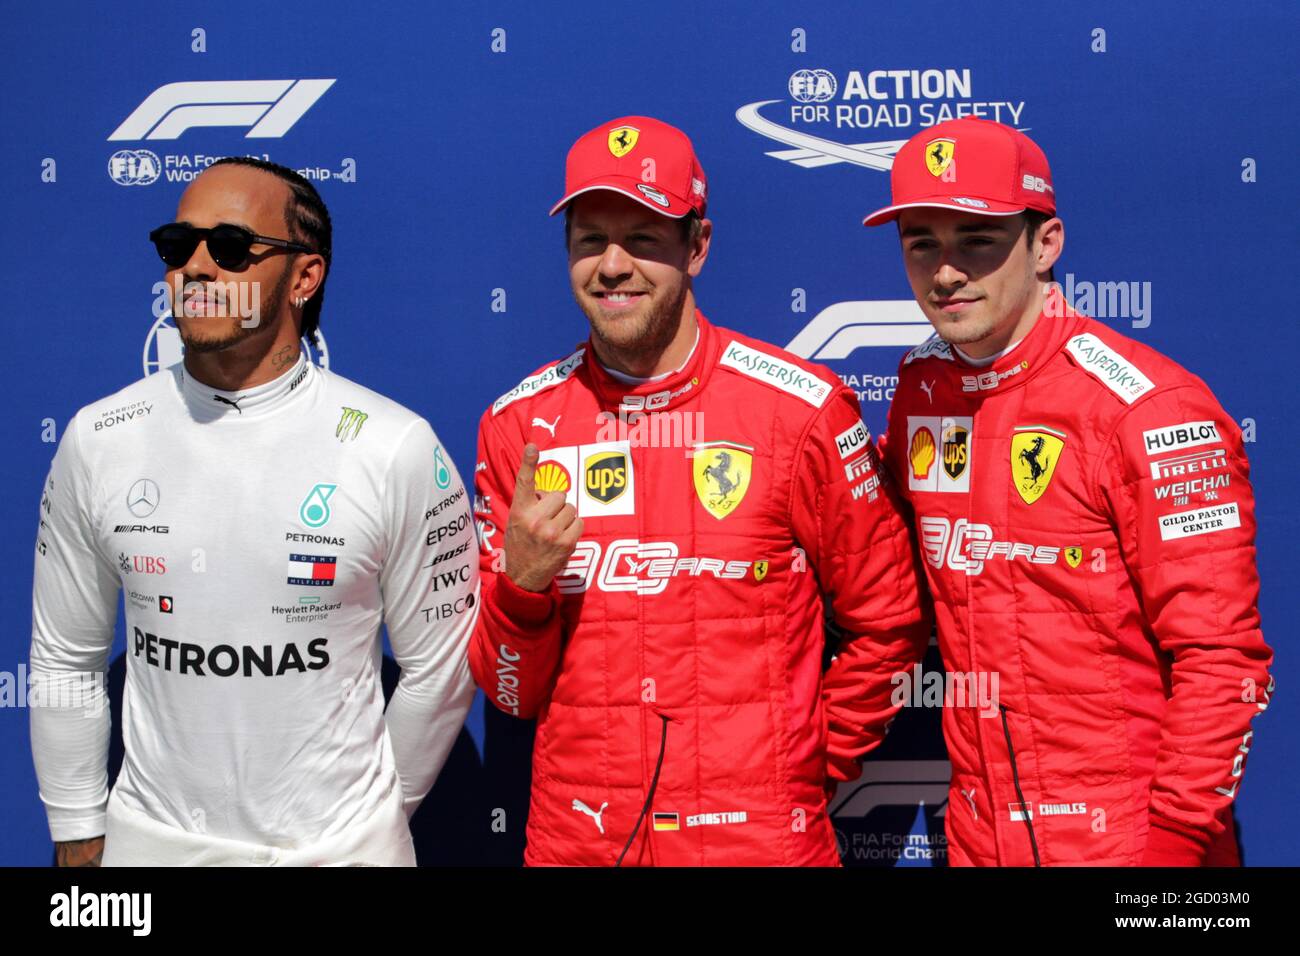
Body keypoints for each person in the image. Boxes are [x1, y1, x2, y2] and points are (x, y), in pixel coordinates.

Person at [467, 116, 928, 866]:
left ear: (698, 246)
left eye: (643, 238)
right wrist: (521, 586)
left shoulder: (799, 410)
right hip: (581, 843)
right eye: (591, 241)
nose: (612, 266)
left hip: (758, 842)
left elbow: (891, 623)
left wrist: (802, 762)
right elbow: (511, 695)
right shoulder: (520, 425)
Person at [29, 158, 478, 866]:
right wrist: (78, 830)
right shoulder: (99, 438)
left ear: (305, 277)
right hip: (151, 852)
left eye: (232, 248)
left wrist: (365, 820)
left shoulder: (395, 446)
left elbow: (443, 671)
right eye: (179, 247)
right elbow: (65, 658)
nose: (198, 268)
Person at [866, 117, 1274, 866]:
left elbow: (1222, 661)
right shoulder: (922, 389)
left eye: (979, 240)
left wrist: (1170, 853)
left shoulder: (1151, 409)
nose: (946, 271)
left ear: (1045, 243)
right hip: (979, 837)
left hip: (1133, 847)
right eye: (922, 242)